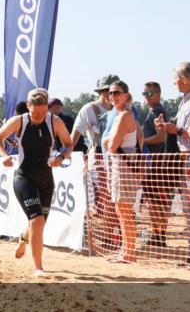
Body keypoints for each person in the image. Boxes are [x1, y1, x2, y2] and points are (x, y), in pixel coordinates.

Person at [0, 88, 73, 277]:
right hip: (24, 177)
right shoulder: (19, 121)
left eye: (44, 112)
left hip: (46, 178)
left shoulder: (55, 121)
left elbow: (69, 143)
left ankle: (23, 238)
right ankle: (38, 268)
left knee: (39, 222)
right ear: (28, 107)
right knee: (37, 220)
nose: (40, 116)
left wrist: (60, 157)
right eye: (36, 113)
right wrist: (4, 155)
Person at [156, 62, 190, 266]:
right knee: (188, 210)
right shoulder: (185, 101)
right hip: (184, 159)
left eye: (176, 78)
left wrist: (173, 130)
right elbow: (179, 129)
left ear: (185, 79)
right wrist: (166, 127)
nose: (174, 82)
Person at [71, 74, 119, 253]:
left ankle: (114, 235)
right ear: (100, 92)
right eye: (107, 91)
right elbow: (76, 134)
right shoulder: (89, 109)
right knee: (105, 199)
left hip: (117, 157)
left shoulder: (122, 108)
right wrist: (68, 152)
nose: (110, 94)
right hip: (98, 157)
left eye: (113, 91)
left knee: (116, 199)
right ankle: (106, 237)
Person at [102, 81, 144, 263]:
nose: (112, 96)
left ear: (127, 95)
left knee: (124, 211)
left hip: (123, 168)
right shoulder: (125, 115)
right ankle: (126, 250)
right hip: (123, 166)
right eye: (110, 93)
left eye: (116, 92)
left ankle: (129, 252)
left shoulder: (124, 115)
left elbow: (111, 146)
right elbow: (140, 137)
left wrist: (109, 141)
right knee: (121, 210)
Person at [140, 81, 172, 249]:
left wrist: (141, 141)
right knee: (155, 201)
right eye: (144, 94)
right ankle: (158, 234)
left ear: (158, 94)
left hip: (156, 163)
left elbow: (161, 137)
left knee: (155, 201)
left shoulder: (157, 111)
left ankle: (159, 234)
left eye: (149, 94)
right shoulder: (155, 111)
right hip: (156, 162)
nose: (146, 97)